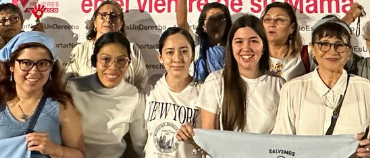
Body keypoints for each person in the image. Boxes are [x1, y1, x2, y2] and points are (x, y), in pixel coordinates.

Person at [273, 18, 370, 158]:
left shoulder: (366, 89)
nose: (333, 51)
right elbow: (281, 143)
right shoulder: (293, 89)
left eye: (339, 45)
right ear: (312, 48)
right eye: (324, 44)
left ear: (349, 51)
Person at [0, 31, 85, 158]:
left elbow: (79, 155)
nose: (34, 71)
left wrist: (55, 150)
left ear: (51, 68)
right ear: (12, 65)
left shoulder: (61, 106)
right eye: (26, 63)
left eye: (43, 63)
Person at [192, 15, 283, 133]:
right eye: (239, 42)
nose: (246, 48)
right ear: (231, 46)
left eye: (253, 41)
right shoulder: (216, 81)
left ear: (264, 46)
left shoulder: (278, 85)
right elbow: (209, 137)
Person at [66, 31, 146, 158]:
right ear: (94, 61)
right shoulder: (71, 89)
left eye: (121, 60)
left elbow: (140, 145)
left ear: (129, 64)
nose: (113, 67)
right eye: (106, 59)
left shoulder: (135, 97)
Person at [64, 0, 148, 88]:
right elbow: (69, 83)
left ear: (121, 24)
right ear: (95, 22)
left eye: (114, 16)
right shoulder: (80, 50)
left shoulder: (132, 50)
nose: (108, 19)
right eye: (103, 15)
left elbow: (141, 83)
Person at [144, 27, 201, 158]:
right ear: (160, 57)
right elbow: (141, 137)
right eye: (170, 52)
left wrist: (194, 139)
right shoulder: (151, 86)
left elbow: (210, 142)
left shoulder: (203, 91)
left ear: (193, 55)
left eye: (184, 51)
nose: (177, 58)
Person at [175, 0, 232, 80]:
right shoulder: (197, 45)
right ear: (203, 26)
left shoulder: (235, 48)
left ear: (227, 23)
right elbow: (181, 23)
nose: (216, 24)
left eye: (220, 19)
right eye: (211, 19)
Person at [262, 1, 309, 80]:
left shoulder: (307, 54)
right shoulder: (255, 56)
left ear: (292, 27)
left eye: (279, 20)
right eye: (267, 19)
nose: (272, 24)